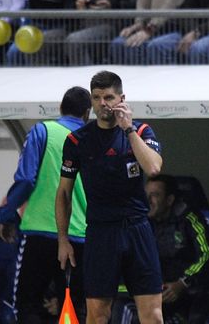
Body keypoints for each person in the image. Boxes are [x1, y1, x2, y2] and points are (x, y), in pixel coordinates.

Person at [56, 70, 164, 324]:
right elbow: (63, 193)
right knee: (97, 315)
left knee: (153, 315)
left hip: (137, 229)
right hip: (101, 233)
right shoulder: (77, 140)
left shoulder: (143, 131)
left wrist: (128, 130)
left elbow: (154, 168)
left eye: (109, 97)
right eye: (96, 98)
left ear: (122, 99)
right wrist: (63, 239)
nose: (102, 104)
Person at [0, 86, 91, 323]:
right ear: (87, 113)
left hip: (41, 231)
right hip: (80, 234)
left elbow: (26, 178)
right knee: (73, 309)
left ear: (60, 108)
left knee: (27, 304)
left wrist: (8, 215)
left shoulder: (43, 131)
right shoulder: (96, 137)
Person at [146, 175, 209, 323]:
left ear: (169, 200)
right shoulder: (142, 223)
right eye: (146, 195)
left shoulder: (189, 218)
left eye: (155, 195)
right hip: (158, 290)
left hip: (193, 289)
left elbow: (207, 255)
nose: (148, 200)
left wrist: (183, 283)